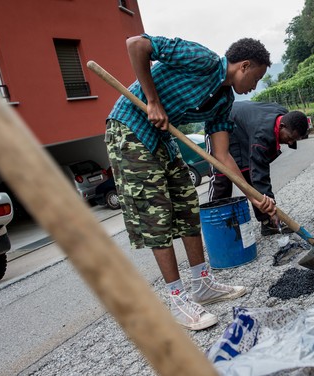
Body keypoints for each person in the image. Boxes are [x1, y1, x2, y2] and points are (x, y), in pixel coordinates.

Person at [104, 34, 276, 331]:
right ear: (244, 66)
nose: (255, 86)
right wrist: (153, 101)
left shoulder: (225, 101)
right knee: (158, 215)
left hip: (160, 136)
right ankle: (177, 297)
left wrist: (254, 195)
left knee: (186, 203)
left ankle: (202, 283)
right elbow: (136, 44)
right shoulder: (201, 59)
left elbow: (221, 155)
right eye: (257, 77)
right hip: (130, 128)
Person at [207, 101, 309, 236]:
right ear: (282, 126)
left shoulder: (285, 117)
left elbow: (256, 172)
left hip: (242, 130)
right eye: (290, 138)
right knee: (222, 179)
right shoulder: (262, 134)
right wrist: (272, 206)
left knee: (249, 173)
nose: (290, 143)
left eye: (294, 140)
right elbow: (261, 174)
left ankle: (267, 222)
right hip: (221, 125)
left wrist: (269, 205)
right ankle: (215, 229)